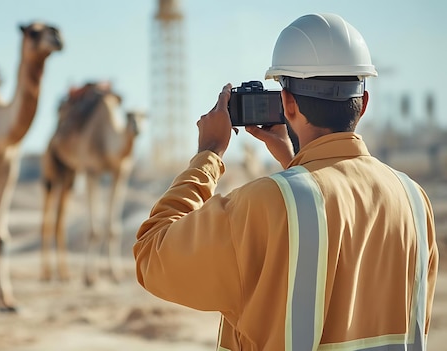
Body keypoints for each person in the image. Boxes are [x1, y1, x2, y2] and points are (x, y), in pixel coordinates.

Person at [133, 13, 438, 351]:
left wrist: (209, 153)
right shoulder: (413, 199)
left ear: (287, 103)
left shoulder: (265, 203)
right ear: (363, 103)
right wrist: (295, 160)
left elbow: (152, 256)